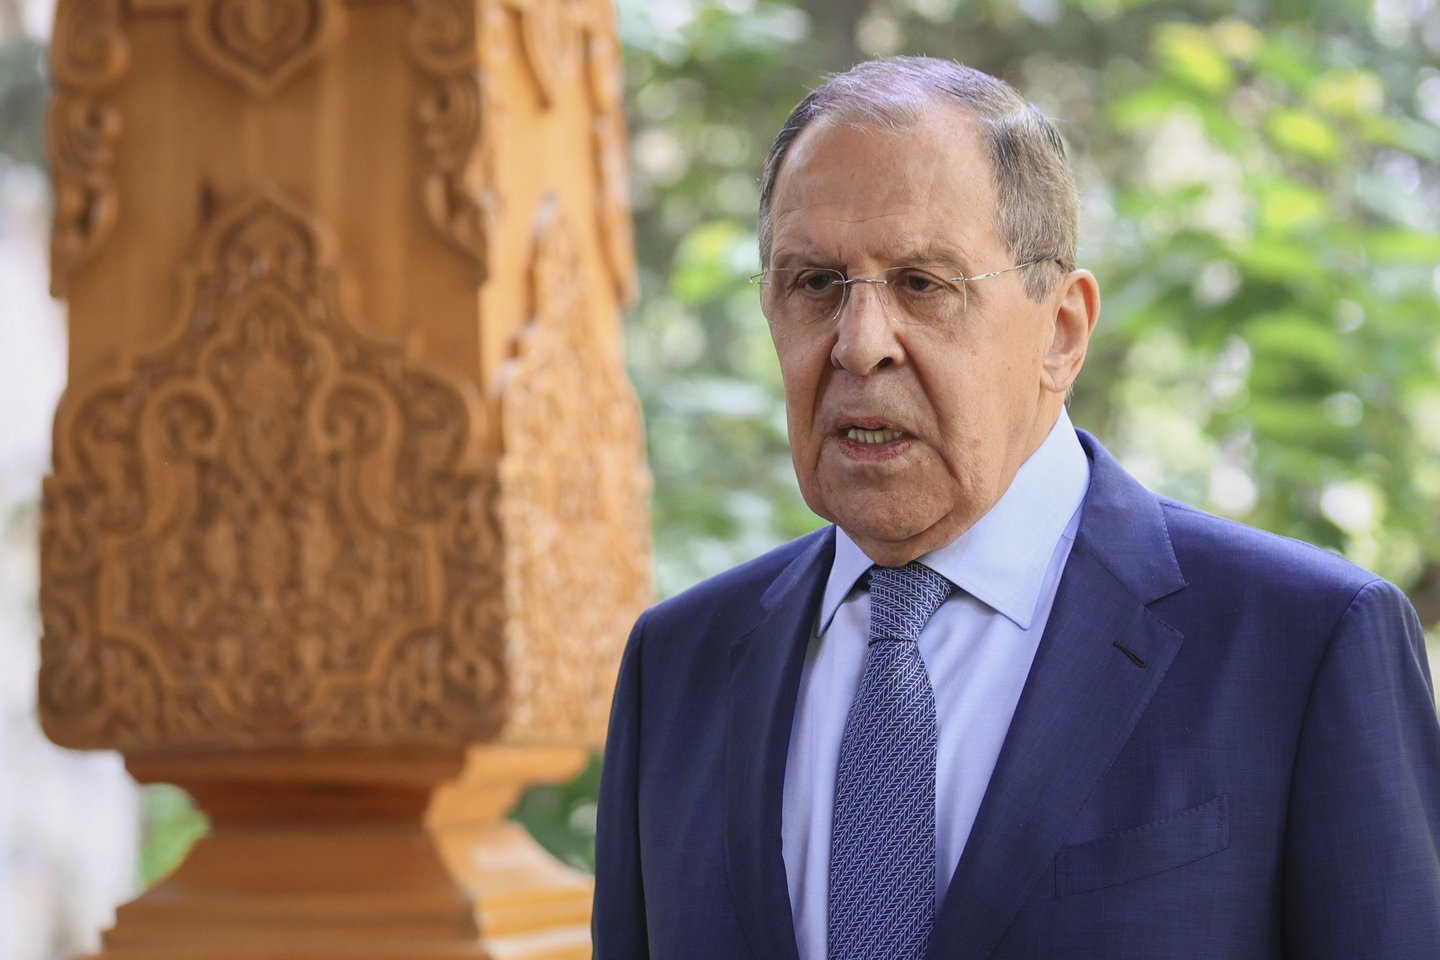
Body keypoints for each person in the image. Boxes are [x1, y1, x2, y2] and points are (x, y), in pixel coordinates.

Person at [592, 56, 1440, 959]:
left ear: (1062, 332)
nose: (860, 344)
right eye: (815, 285)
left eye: (923, 283)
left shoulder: (1302, 644)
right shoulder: (676, 667)